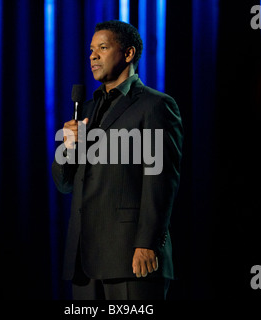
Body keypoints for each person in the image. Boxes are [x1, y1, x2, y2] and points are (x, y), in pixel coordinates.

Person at [51, 20, 183, 300]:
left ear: (128, 53)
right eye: (91, 50)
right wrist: (68, 146)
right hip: (84, 261)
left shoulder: (155, 105)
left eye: (102, 47)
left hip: (130, 257)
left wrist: (147, 243)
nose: (93, 56)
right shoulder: (85, 110)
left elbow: (160, 180)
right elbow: (64, 184)